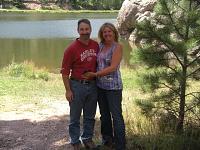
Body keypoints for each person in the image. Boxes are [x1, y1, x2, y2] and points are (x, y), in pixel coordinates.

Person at [83, 22, 126, 150]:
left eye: (109, 31)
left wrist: (95, 74)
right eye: (104, 32)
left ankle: (120, 145)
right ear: (102, 34)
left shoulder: (117, 47)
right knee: (104, 115)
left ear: (114, 33)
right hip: (100, 87)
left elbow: (113, 68)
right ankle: (107, 141)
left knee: (116, 117)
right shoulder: (100, 45)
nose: (107, 34)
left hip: (113, 87)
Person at [61, 19, 99, 150]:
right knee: (75, 117)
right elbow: (65, 72)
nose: (84, 32)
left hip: (93, 86)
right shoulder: (71, 49)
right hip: (77, 85)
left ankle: (87, 139)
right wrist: (68, 90)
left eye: (86, 29)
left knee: (90, 116)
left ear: (90, 30)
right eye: (82, 29)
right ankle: (75, 141)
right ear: (78, 31)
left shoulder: (95, 45)